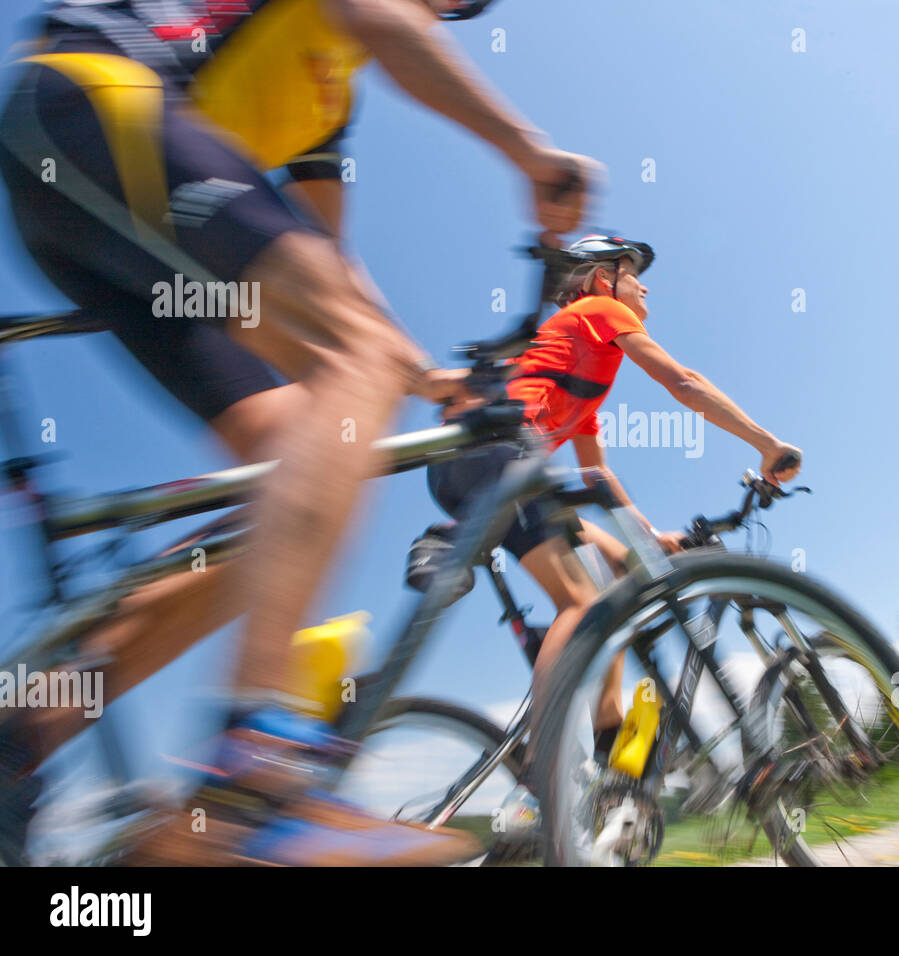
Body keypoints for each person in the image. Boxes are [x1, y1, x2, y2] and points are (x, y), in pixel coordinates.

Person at [0, 0, 602, 865]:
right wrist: (527, 151)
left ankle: (24, 736)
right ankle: (257, 768)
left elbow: (330, 267)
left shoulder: (326, 100)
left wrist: (424, 374)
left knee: (301, 460)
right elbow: (384, 21)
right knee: (347, 371)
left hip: (108, 201)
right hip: (92, 101)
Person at [414, 235, 803, 834]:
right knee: (582, 603)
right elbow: (684, 381)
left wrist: (651, 537)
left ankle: (606, 741)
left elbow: (596, 475)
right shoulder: (601, 313)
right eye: (634, 274)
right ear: (603, 280)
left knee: (623, 569)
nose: (643, 286)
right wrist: (765, 443)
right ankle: (548, 761)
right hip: (500, 461)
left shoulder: (579, 371)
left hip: (480, 470)